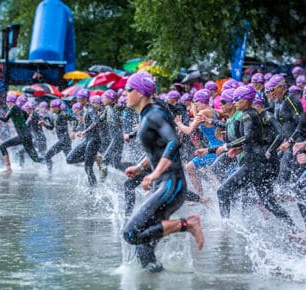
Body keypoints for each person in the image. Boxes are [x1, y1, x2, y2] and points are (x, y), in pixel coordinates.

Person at [122, 71, 204, 272]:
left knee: (131, 233)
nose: (125, 94)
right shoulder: (149, 114)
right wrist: (141, 167)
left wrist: (155, 173)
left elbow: (173, 142)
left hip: (170, 184)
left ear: (140, 93)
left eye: (128, 89)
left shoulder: (154, 114)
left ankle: (188, 224)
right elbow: (157, 149)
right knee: (143, 250)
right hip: (165, 184)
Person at [216, 85, 298, 231]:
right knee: (268, 202)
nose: (234, 103)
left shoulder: (249, 115)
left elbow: (249, 137)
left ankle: (225, 227)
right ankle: (295, 229)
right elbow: (254, 139)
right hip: (259, 162)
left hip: (254, 163)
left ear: (246, 100)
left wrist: (226, 147)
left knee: (223, 191)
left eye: (236, 99)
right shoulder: (252, 115)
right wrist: (239, 148)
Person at [0, 93, 43, 174]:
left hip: (23, 136)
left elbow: (5, 119)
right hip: (27, 135)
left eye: (7, 102)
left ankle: (8, 168)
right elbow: (25, 121)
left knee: (2, 146)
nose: (7, 104)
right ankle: (50, 163)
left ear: (9, 102)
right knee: (35, 159)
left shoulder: (13, 107)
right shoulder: (21, 110)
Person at [66, 89, 101, 187]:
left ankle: (94, 189)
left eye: (79, 99)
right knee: (69, 159)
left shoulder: (90, 108)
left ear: (85, 99)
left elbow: (96, 122)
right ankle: (93, 158)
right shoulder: (85, 108)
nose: (78, 100)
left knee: (88, 167)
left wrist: (85, 131)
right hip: (87, 139)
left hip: (94, 140)